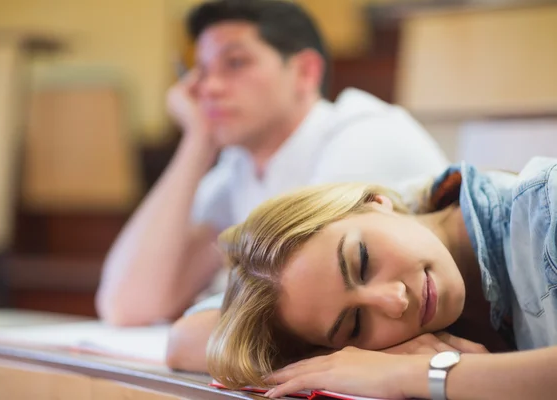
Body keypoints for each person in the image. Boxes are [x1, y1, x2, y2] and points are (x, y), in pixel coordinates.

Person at [96, 0, 448, 330]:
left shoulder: (363, 135)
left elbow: (295, 317)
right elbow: (127, 305)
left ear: (305, 72)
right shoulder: (239, 167)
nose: (210, 88)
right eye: (200, 72)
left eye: (235, 63)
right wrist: (196, 144)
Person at [206, 157, 557, 400]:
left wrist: (413, 374)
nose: (395, 301)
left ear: (376, 201)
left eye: (362, 261)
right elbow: (187, 338)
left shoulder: (546, 206)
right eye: (356, 324)